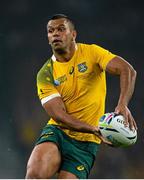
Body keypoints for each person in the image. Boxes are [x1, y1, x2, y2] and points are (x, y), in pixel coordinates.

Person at [25, 14, 137, 179]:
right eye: (51, 31)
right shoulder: (45, 73)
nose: (55, 33)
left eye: (61, 29)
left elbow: (127, 70)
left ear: (73, 35)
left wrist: (123, 103)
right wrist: (92, 128)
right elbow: (60, 116)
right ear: (48, 38)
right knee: (35, 174)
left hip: (86, 144)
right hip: (58, 132)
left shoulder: (92, 53)